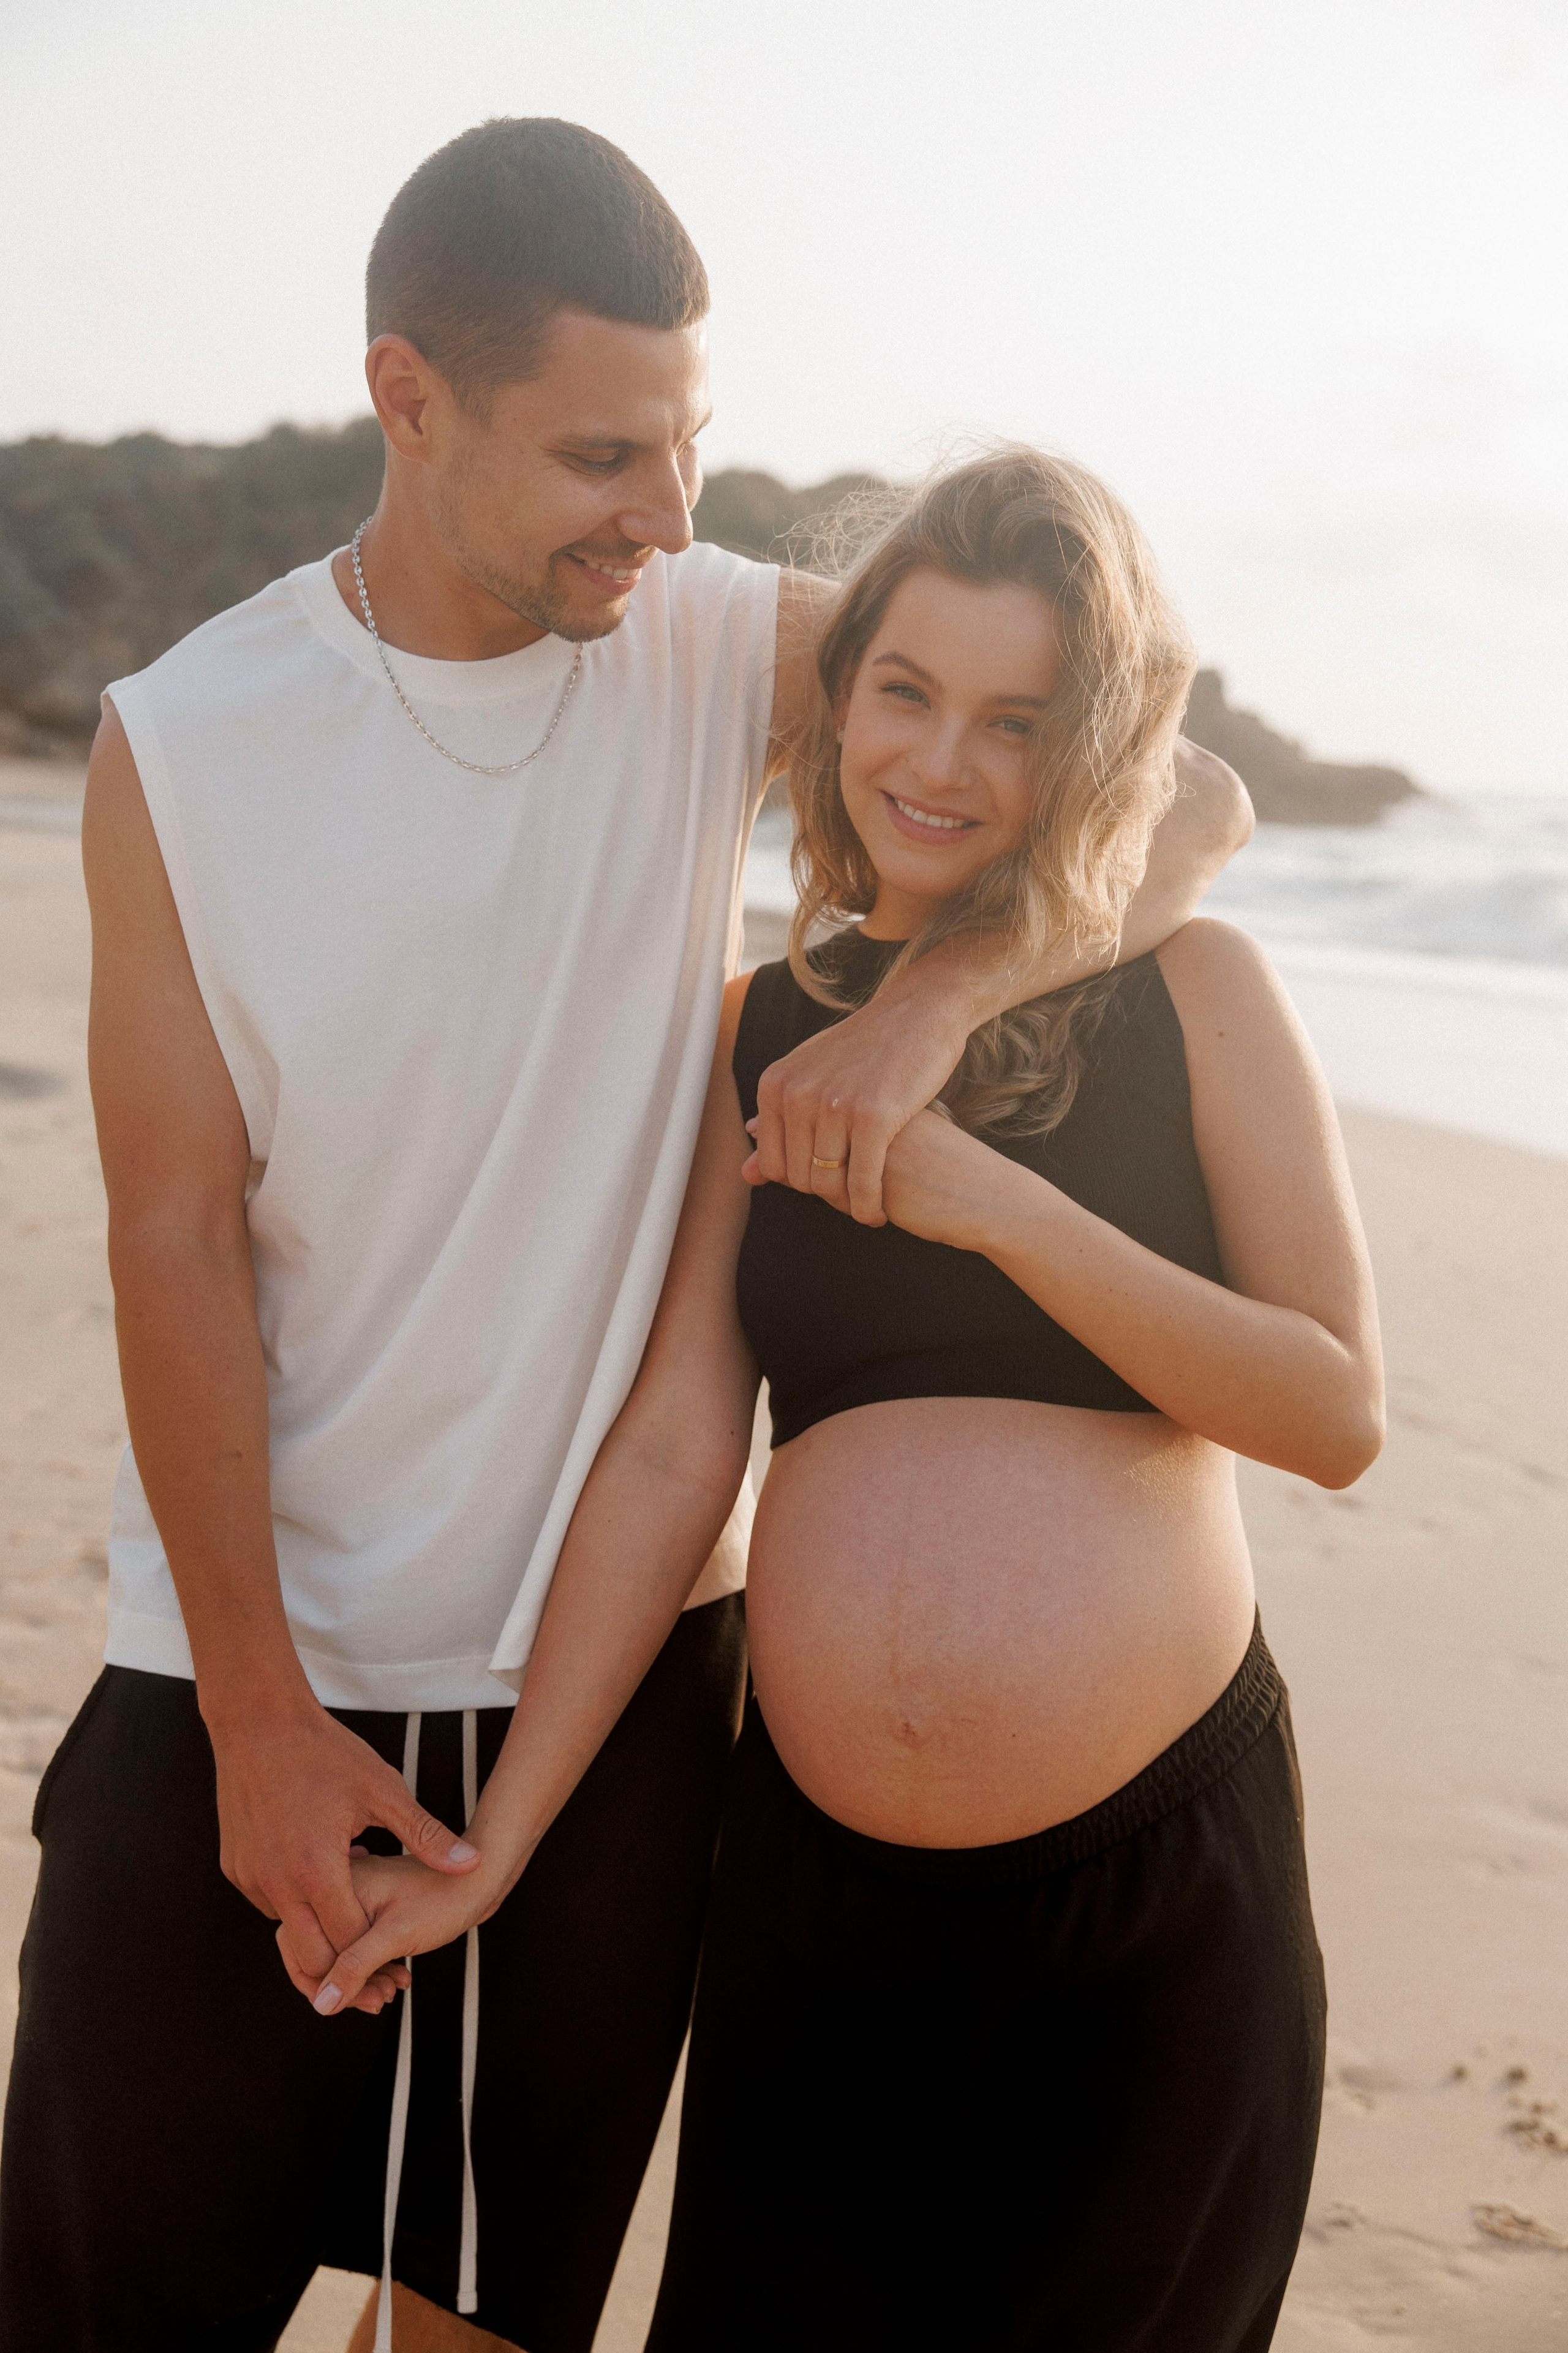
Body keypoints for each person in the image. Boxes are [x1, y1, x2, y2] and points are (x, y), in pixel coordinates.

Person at [0, 123, 1248, 2353]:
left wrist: (941, 1004)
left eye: (690, 443)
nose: (666, 515)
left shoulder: (708, 645)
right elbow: (174, 1242)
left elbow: (1185, 784)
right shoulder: (185, 747)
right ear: (409, 399)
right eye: (601, 453)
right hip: (246, 1684)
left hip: (618, 1702)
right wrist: (264, 1724)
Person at [315, 446, 1382, 2351]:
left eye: (1018, 721)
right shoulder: (765, 1025)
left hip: (1149, 1910)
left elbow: (1331, 1408)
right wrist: (509, 1838)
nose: (944, 763)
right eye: (905, 691)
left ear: (1093, 747)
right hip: (814, 1903)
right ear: (838, 698)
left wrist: (992, 1198)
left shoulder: (1202, 986)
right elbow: (673, 1449)